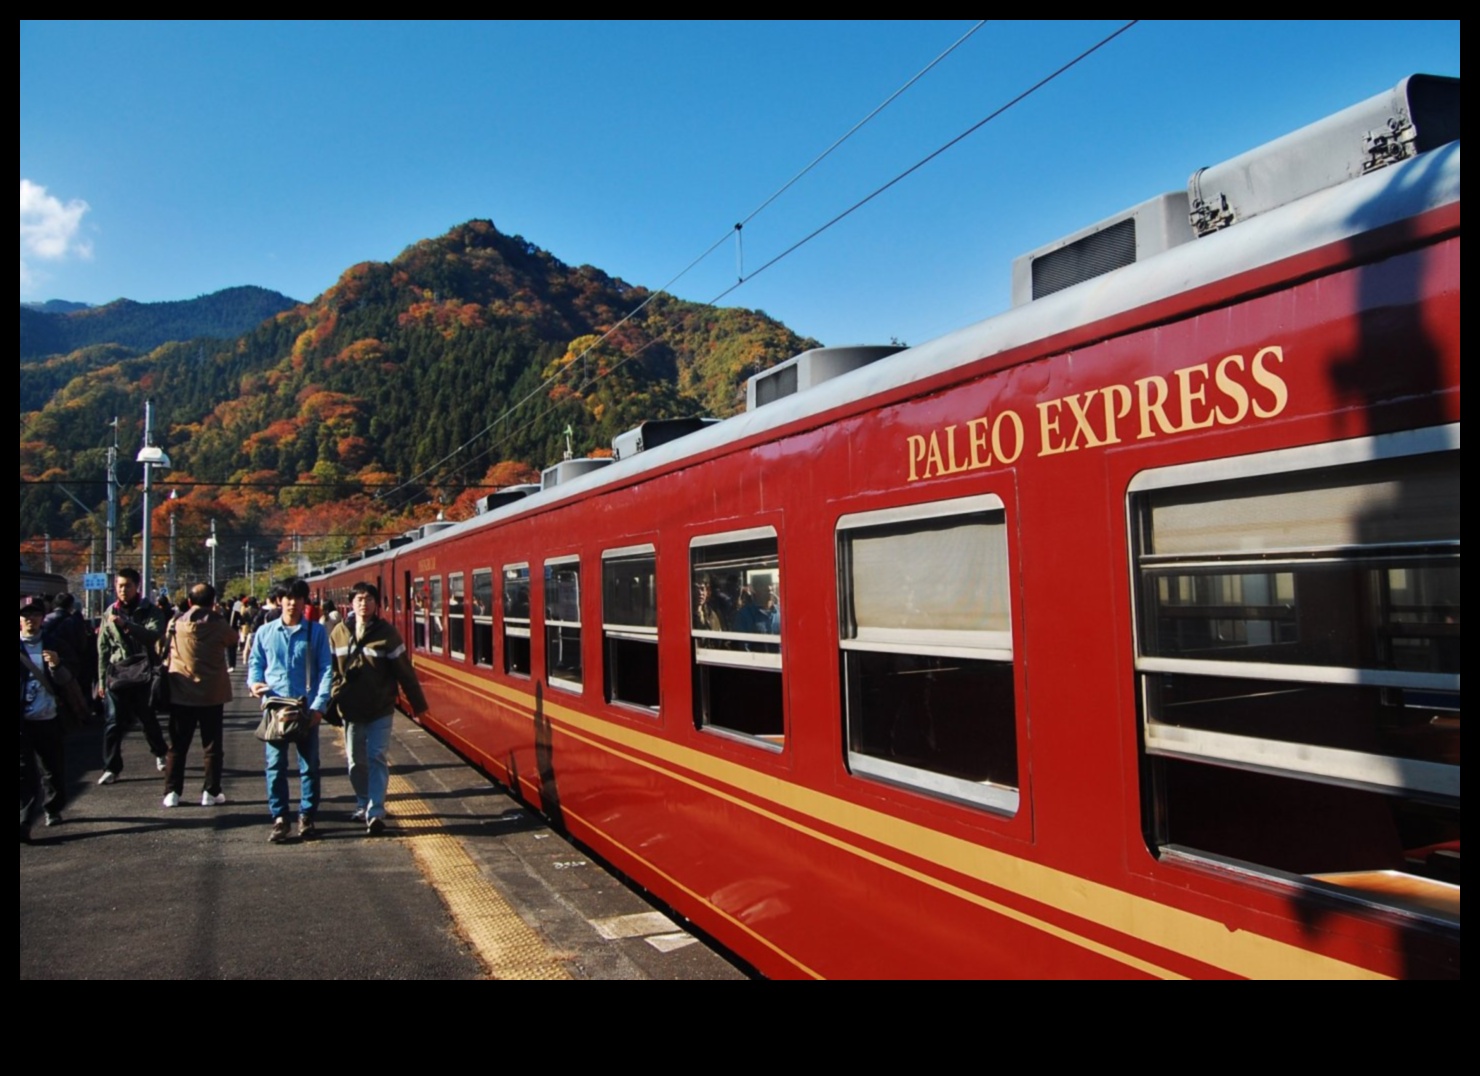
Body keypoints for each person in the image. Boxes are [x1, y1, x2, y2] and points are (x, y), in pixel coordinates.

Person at [329, 582, 428, 835]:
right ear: (351, 603)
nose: (364, 604)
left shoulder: (387, 633)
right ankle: (363, 802)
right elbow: (329, 670)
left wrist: (418, 706)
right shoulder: (338, 633)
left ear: (376, 604)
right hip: (350, 708)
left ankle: (375, 811)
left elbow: (404, 671)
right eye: (360, 599)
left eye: (369, 599)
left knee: (376, 756)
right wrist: (333, 694)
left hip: (380, 707)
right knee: (355, 761)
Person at [247, 580, 331, 843]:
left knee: (310, 766)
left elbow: (326, 669)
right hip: (275, 708)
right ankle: (280, 817)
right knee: (275, 766)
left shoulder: (316, 632)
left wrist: (319, 706)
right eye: (287, 598)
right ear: (279, 601)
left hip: (306, 708)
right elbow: (256, 663)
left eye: (297, 598)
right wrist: (254, 683)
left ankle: (307, 815)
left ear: (305, 601)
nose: (292, 603)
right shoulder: (265, 632)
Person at [161, 583, 237, 809]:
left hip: (181, 692)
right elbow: (233, 639)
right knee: (212, 746)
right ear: (213, 602)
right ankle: (210, 792)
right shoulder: (219, 624)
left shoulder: (176, 623)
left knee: (178, 745)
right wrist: (220, 615)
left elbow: (161, 646)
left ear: (190, 601)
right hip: (212, 694)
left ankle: (172, 792)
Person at [96, 567, 170, 783]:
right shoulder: (110, 612)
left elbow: (153, 635)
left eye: (127, 586)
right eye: (119, 586)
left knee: (147, 718)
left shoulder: (150, 611)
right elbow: (103, 648)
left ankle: (160, 751)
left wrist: (127, 625)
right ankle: (111, 767)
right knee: (113, 721)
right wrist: (101, 680)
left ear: (137, 586)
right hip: (117, 672)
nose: (123, 590)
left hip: (143, 671)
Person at [20, 598, 68, 839]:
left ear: (42, 618)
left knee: (52, 767)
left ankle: (53, 807)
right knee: (24, 772)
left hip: (49, 717)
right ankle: (25, 821)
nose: (31, 619)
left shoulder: (53, 644)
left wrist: (57, 666)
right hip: (22, 721)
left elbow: (68, 680)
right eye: (26, 615)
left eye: (35, 615)